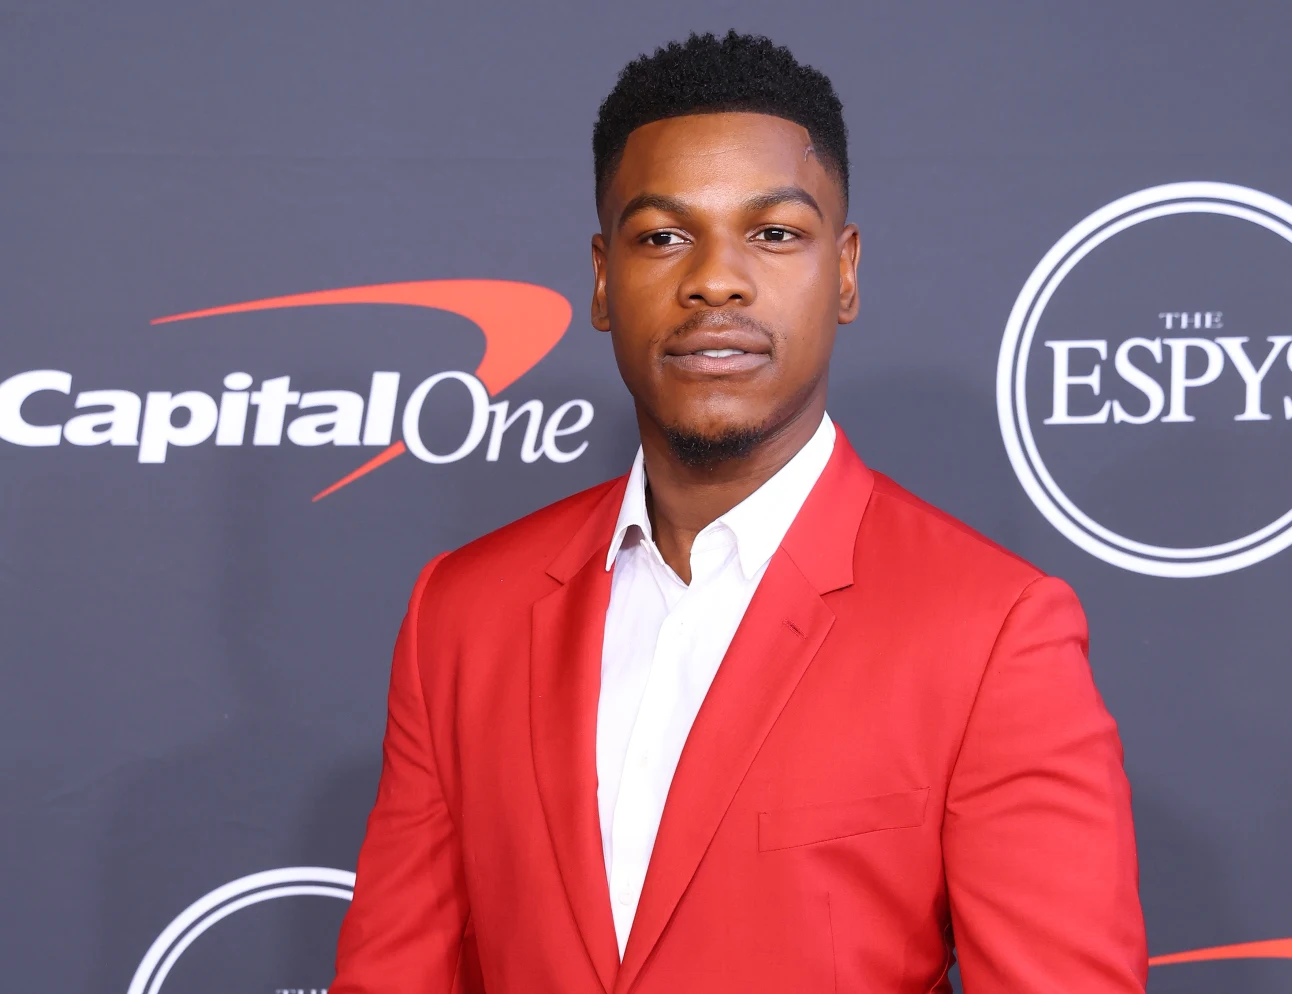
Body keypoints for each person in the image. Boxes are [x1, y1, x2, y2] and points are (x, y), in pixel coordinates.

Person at [331, 30, 1147, 993]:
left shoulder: (992, 630)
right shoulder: (461, 614)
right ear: (602, 279)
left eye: (774, 234)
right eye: (662, 236)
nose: (714, 279)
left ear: (846, 272)